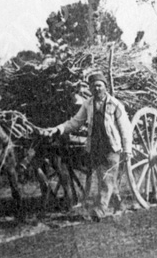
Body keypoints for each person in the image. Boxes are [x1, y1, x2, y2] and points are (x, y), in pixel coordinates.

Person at [42, 71, 132, 220]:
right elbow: (75, 122)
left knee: (107, 177)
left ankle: (100, 209)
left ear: (105, 87)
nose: (97, 89)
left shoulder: (115, 104)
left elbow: (125, 128)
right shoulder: (88, 104)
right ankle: (119, 204)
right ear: (90, 88)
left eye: (99, 86)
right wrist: (59, 128)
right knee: (103, 177)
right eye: (94, 86)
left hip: (112, 146)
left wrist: (127, 150)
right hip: (95, 146)